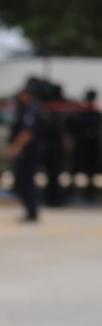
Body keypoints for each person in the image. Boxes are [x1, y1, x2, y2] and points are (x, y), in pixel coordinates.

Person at [6, 82, 44, 223]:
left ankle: (32, 212)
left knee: (26, 181)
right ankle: (30, 211)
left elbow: (28, 132)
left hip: (29, 152)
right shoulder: (25, 109)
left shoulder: (31, 110)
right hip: (26, 152)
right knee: (23, 181)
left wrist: (16, 147)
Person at [70, 89, 102, 203]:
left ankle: (89, 193)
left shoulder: (94, 114)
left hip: (91, 146)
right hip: (82, 145)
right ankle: (72, 190)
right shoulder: (82, 113)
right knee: (76, 169)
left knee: (90, 171)